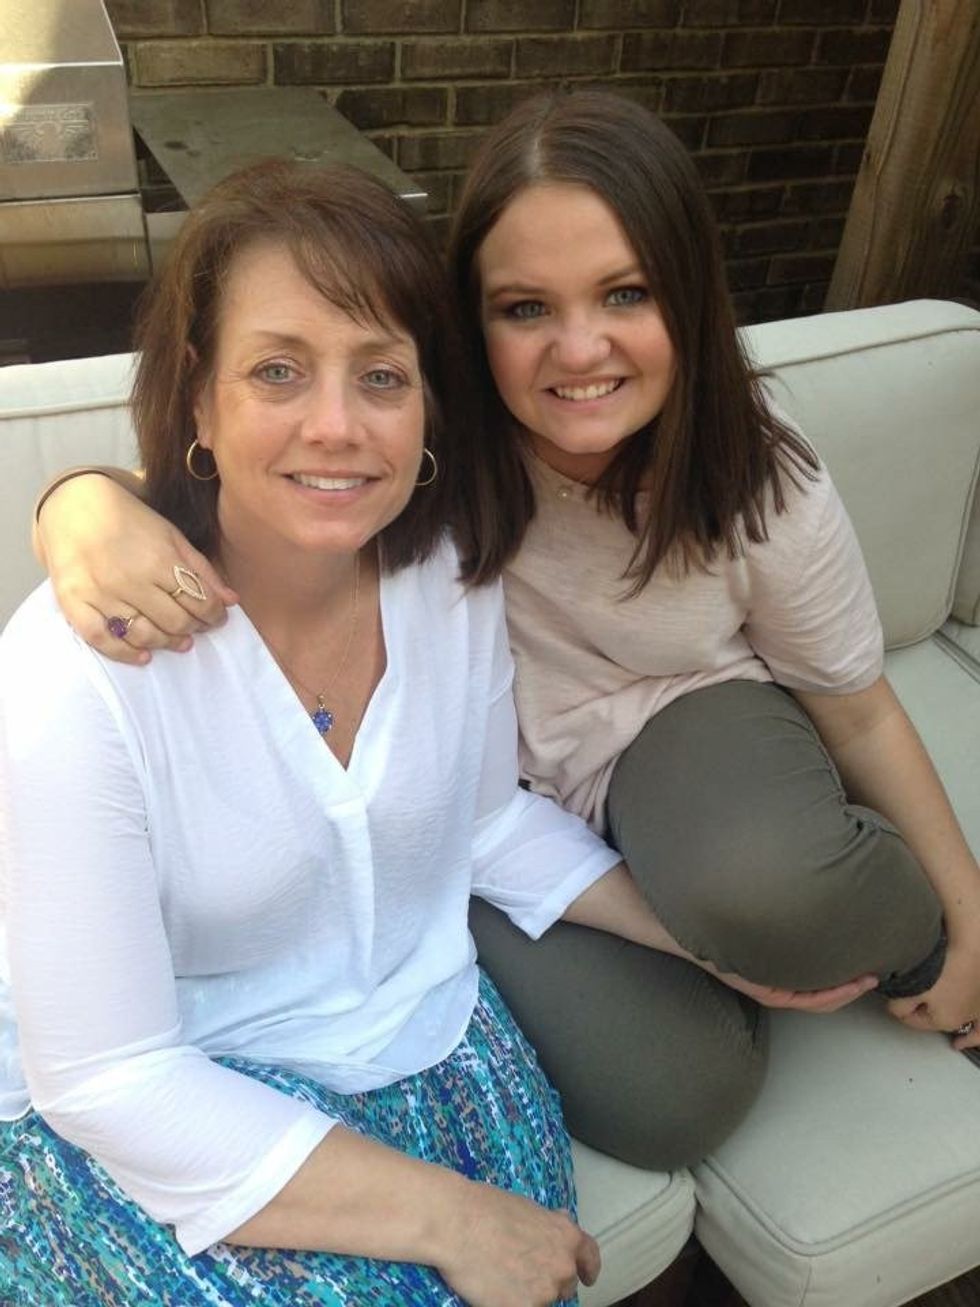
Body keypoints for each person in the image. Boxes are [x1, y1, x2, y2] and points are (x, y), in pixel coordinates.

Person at [30, 92, 979, 1179]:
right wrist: (80, 502)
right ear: (470, 327)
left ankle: (840, 914)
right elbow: (259, 471)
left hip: (678, 738)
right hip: (488, 809)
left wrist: (961, 914)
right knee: (674, 1100)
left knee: (766, 884)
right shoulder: (431, 442)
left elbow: (858, 711)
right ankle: (724, 942)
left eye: (625, 292)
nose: (579, 348)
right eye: (525, 307)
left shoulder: (753, 479)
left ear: (689, 292)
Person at [0, 157, 754, 1307]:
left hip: (427, 1038)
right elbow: (109, 1077)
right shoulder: (83, 664)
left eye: (382, 375)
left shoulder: (448, 577)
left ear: (429, 406)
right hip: (174, 1101)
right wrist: (450, 1215)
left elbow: (486, 821)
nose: (336, 425)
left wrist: (697, 937)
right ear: (199, 399)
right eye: (278, 369)